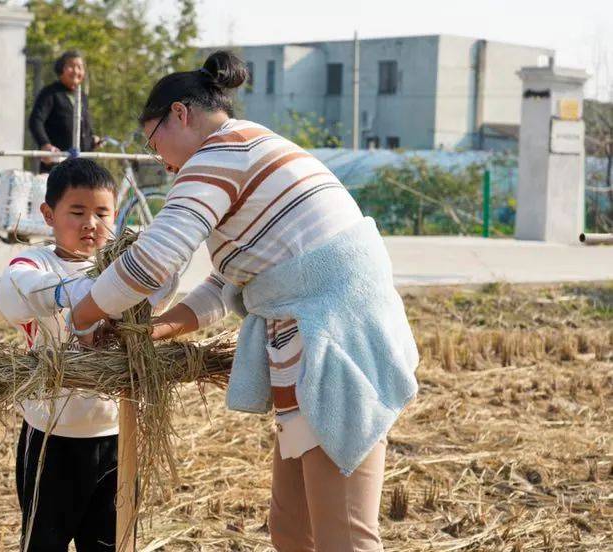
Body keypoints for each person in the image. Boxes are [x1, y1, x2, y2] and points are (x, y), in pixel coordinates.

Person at [69, 50, 420, 551]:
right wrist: (155, 329)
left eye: (155, 143)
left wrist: (81, 314)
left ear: (180, 115)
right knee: (291, 529)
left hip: (334, 343)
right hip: (309, 338)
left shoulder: (218, 156)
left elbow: (152, 263)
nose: (164, 163)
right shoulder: (248, 147)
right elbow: (229, 283)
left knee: (344, 536)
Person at [0, 158, 119, 551]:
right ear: (48, 214)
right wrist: (87, 294)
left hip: (115, 433)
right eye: (77, 212)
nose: (91, 224)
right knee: (43, 542)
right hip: (51, 435)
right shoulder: (34, 265)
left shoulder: (122, 265)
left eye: (102, 213)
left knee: (106, 543)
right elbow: (15, 292)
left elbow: (162, 292)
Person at [28, 50, 101, 173]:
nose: (76, 71)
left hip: (83, 164)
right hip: (58, 164)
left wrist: (92, 139)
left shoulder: (82, 96)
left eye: (80, 67)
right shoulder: (50, 93)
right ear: (61, 69)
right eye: (71, 66)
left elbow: (84, 126)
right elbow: (36, 121)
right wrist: (45, 144)